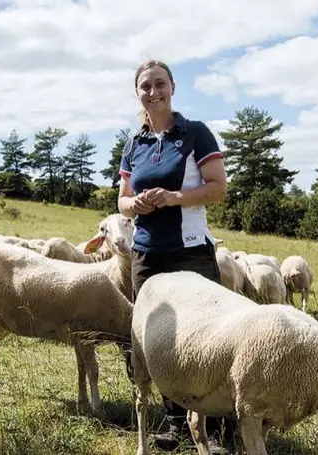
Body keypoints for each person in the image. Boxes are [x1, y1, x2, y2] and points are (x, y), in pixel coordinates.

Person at [117, 60, 232, 454]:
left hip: (190, 250)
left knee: (204, 339)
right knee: (156, 341)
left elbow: (218, 188)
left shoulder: (195, 133)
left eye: (160, 84)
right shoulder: (134, 144)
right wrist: (138, 205)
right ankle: (175, 421)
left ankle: (214, 426)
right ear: (138, 93)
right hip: (146, 255)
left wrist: (173, 198)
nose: (154, 92)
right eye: (145, 86)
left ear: (173, 88)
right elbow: (122, 200)